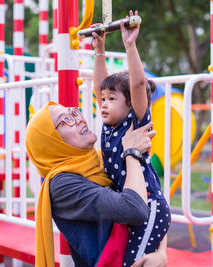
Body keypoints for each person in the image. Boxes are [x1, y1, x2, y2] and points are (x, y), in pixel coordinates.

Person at [25, 101, 168, 267]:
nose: (79, 119)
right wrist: (132, 153)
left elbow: (153, 197)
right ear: (51, 143)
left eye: (74, 112)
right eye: (65, 119)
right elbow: (135, 209)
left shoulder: (99, 161)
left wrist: (160, 252)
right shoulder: (61, 185)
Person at [92, 10, 171, 266]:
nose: (103, 103)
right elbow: (100, 85)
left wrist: (130, 44)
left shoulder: (134, 123)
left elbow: (137, 86)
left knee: (136, 262)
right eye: (103, 99)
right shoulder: (108, 125)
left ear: (130, 106)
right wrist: (99, 50)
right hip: (132, 208)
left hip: (148, 208)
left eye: (111, 99)